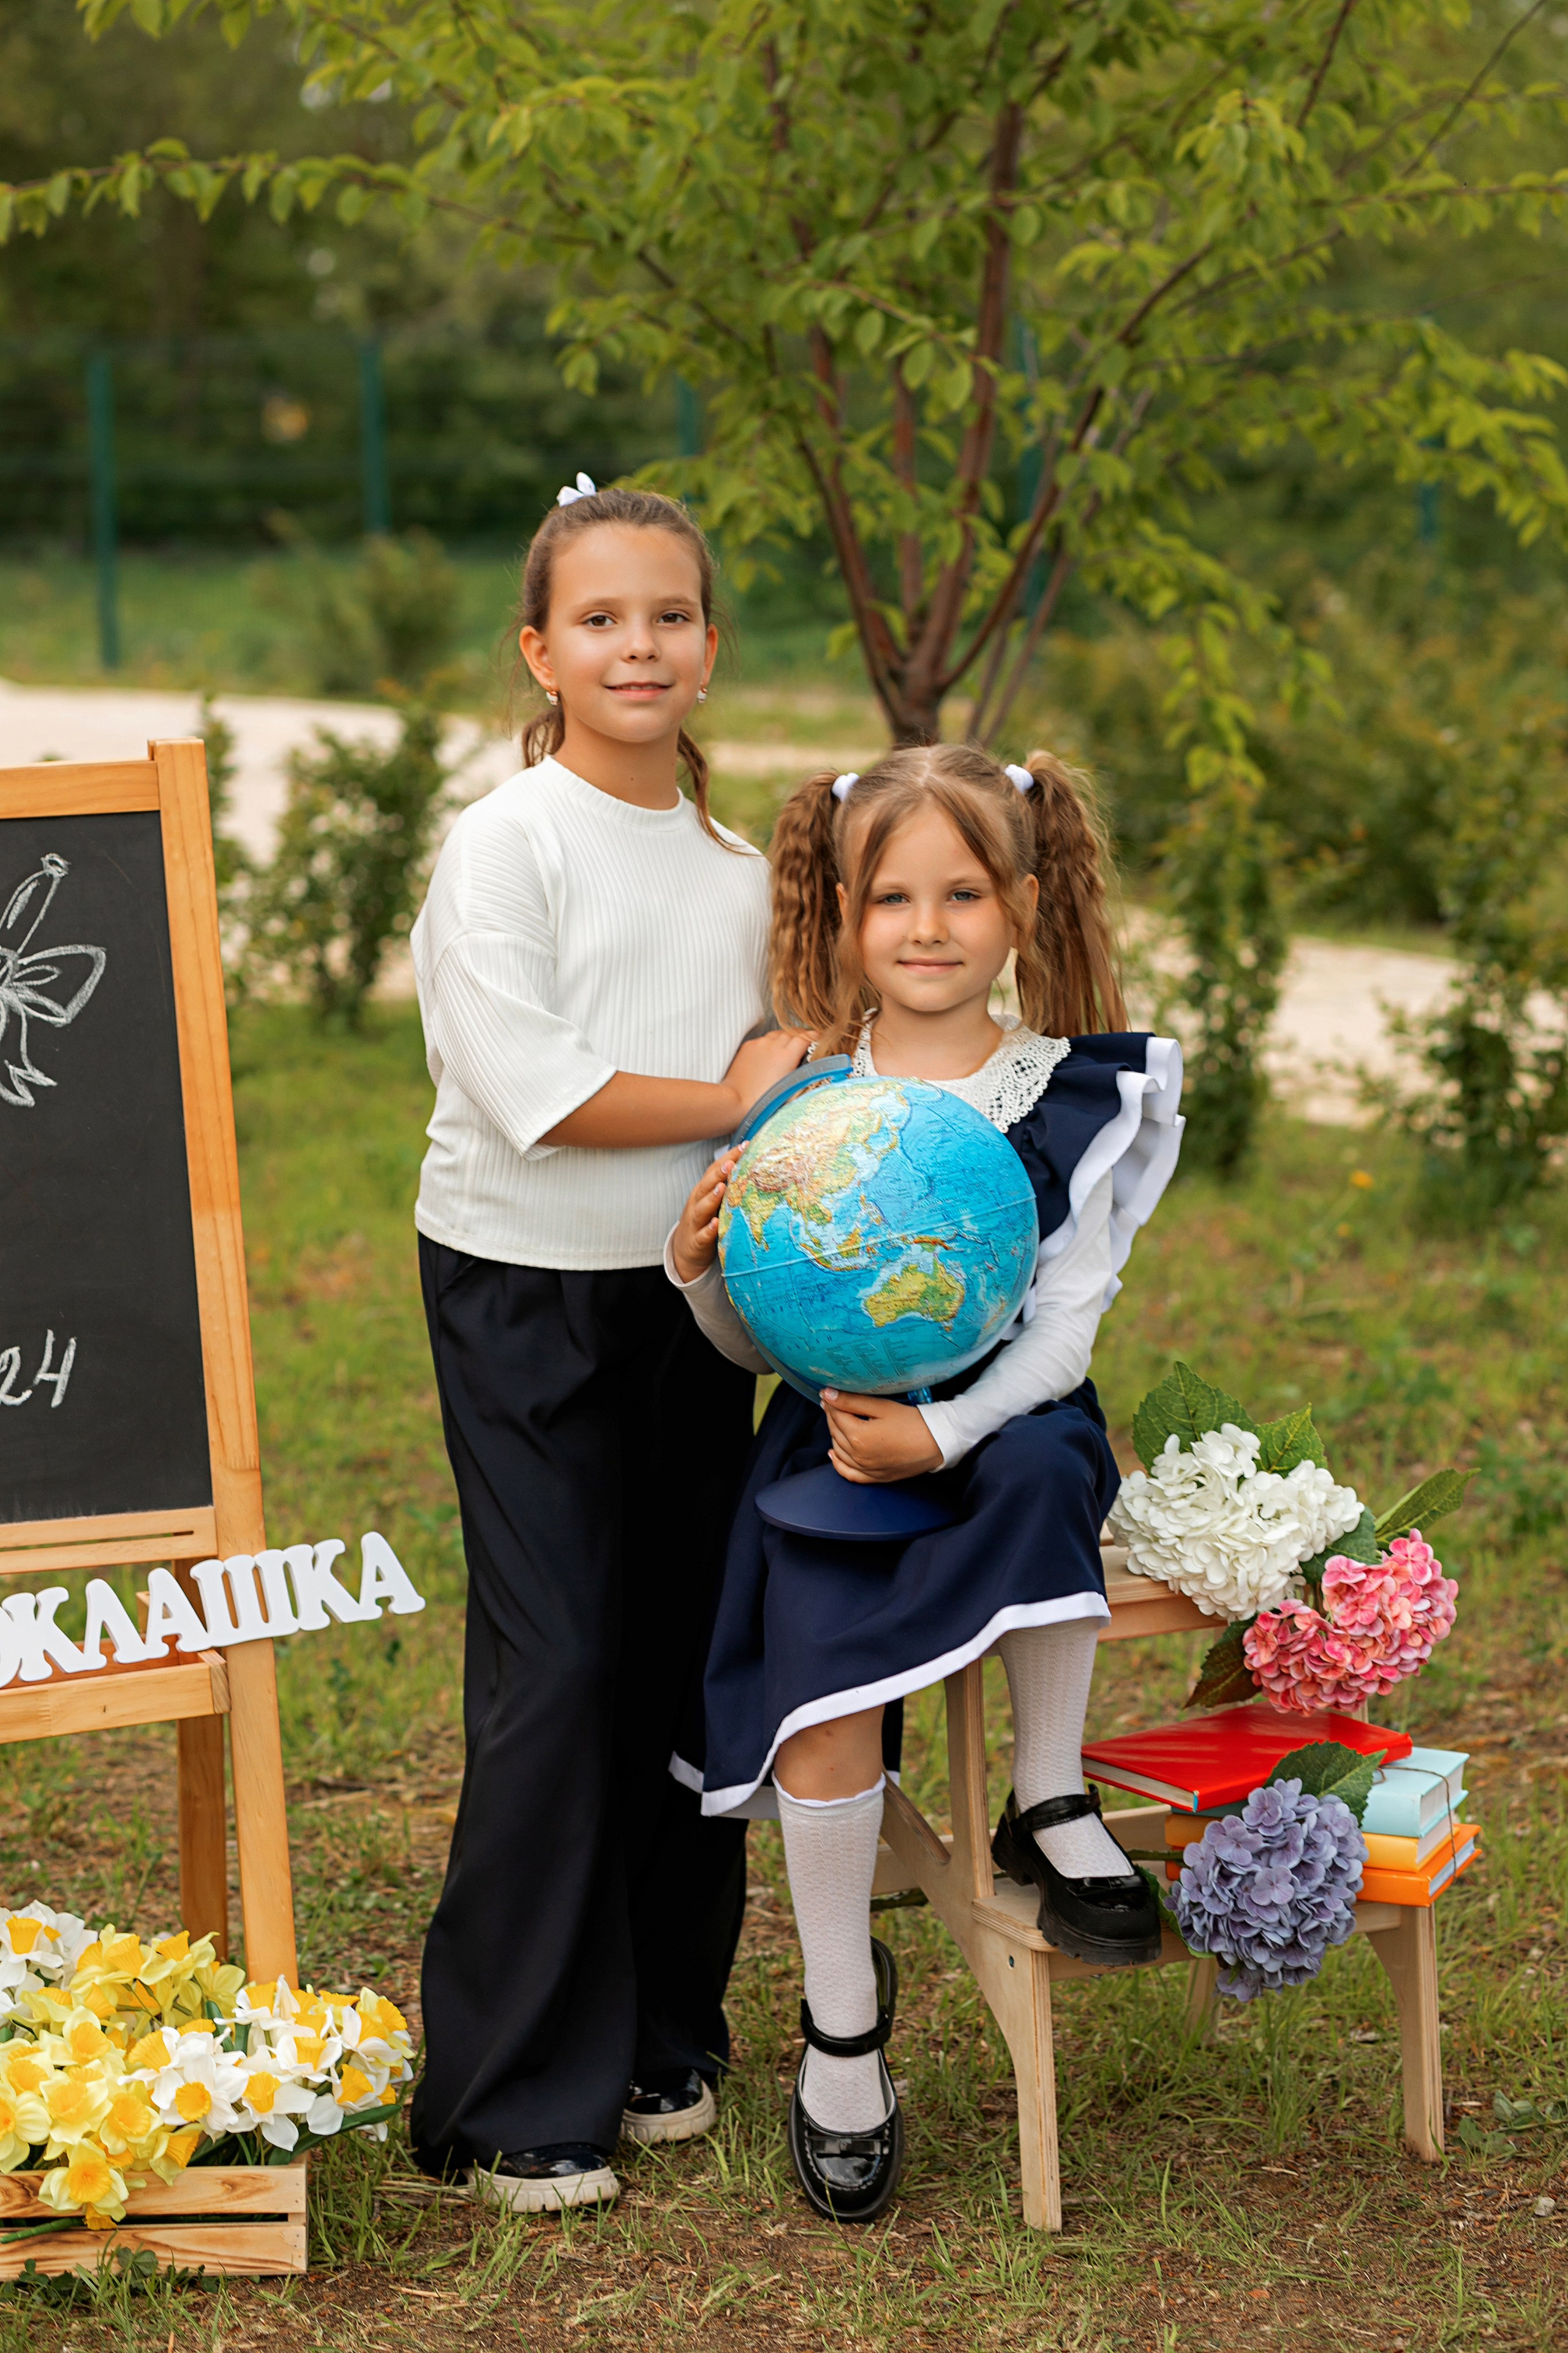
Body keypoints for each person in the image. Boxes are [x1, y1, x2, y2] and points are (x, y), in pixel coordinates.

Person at [666, 743, 1184, 2221]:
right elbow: (747, 1336)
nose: (928, 925)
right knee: (821, 1675)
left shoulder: (1076, 1095)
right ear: (840, 914)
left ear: (1020, 902)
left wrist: (944, 1436)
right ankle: (842, 2021)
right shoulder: (805, 1102)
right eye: (889, 896)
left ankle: (1044, 1797)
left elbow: (1067, 1324)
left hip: (1003, 1426)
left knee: (1039, 1469)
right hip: (840, 1429)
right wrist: (697, 1266)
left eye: (963, 891)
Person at [408, 476, 808, 2215]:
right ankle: (509, 2089)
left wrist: (777, 1108)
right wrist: (730, 1090)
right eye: (598, 619)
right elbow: (538, 1093)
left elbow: (787, 1085)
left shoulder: (739, 871)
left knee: (672, 1668)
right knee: (559, 1669)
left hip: (697, 1303)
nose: (634, 644)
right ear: (540, 651)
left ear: (711, 647)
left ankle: (661, 2029)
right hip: (522, 1290)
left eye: (666, 616)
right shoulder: (511, 843)